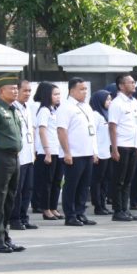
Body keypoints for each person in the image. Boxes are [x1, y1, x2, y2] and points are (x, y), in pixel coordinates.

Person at [0, 75, 26, 253]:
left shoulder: (13, 110)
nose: (16, 91)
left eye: (16, 88)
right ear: (1, 91)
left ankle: (6, 237)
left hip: (14, 158)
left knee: (10, 199)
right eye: (12, 88)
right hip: (0, 158)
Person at [57, 77, 98, 226]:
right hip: (74, 153)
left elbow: (91, 131)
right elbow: (62, 130)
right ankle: (70, 215)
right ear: (72, 90)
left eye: (85, 89)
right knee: (71, 185)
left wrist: (94, 151)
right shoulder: (66, 107)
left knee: (84, 185)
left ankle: (81, 212)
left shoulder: (86, 107)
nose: (85, 92)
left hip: (87, 152)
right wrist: (67, 152)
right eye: (81, 89)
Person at [107, 73, 137, 222]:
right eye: (130, 82)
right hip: (121, 145)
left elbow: (136, 125)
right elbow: (112, 126)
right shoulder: (117, 103)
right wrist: (114, 149)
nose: (133, 85)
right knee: (119, 180)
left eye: (134, 82)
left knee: (128, 180)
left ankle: (125, 209)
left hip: (132, 145)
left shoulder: (133, 102)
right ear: (121, 86)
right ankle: (117, 210)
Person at [31, 81, 64, 221]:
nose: (58, 97)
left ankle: (53, 207)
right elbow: (42, 131)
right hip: (47, 151)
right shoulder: (44, 110)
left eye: (59, 94)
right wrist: (47, 151)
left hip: (58, 150)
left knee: (57, 181)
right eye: (55, 94)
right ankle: (46, 209)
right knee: (47, 182)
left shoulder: (55, 110)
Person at [10, 78, 37, 231]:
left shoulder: (27, 108)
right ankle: (14, 219)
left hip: (29, 155)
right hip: (18, 156)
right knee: (17, 190)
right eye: (24, 90)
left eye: (29, 91)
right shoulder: (12, 107)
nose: (27, 94)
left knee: (28, 189)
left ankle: (24, 217)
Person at [89, 89, 113, 217]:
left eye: (110, 99)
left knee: (105, 180)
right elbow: (93, 135)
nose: (109, 102)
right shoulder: (95, 115)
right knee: (97, 180)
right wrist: (94, 152)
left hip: (107, 152)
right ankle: (98, 205)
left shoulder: (106, 114)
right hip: (99, 152)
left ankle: (103, 204)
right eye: (107, 99)